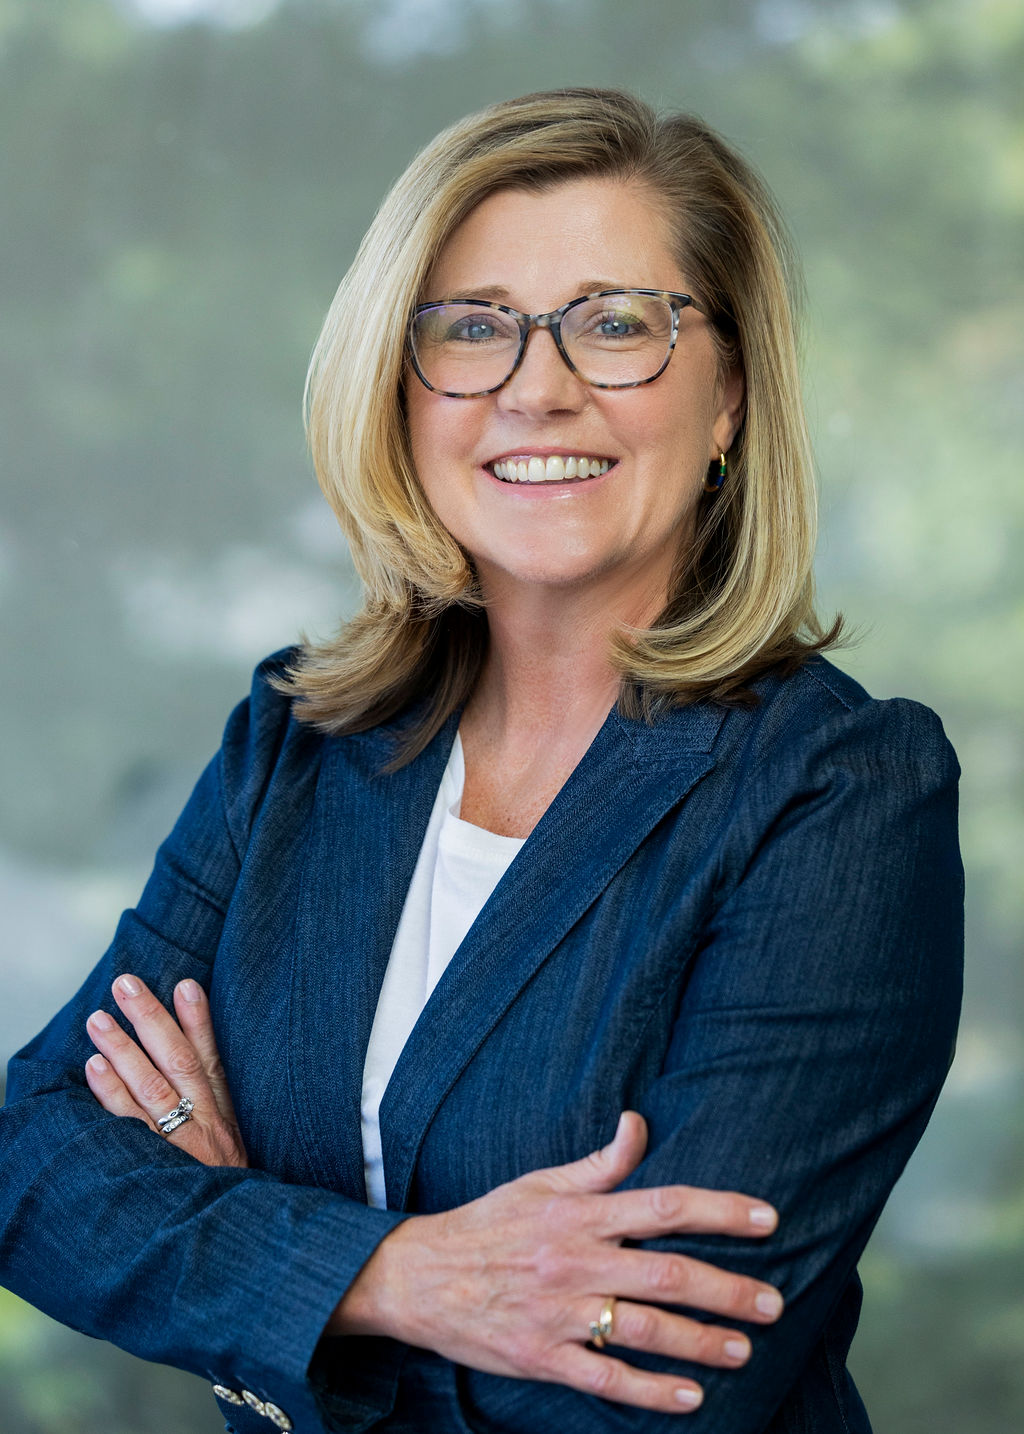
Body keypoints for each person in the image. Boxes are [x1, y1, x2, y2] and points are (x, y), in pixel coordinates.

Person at [0, 88, 963, 1434]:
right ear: (401, 392)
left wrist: (248, 1279)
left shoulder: (837, 790)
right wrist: (395, 1276)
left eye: (617, 324)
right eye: (471, 326)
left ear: (731, 396)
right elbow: (33, 1158)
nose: (538, 385)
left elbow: (655, 1395)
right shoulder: (298, 743)